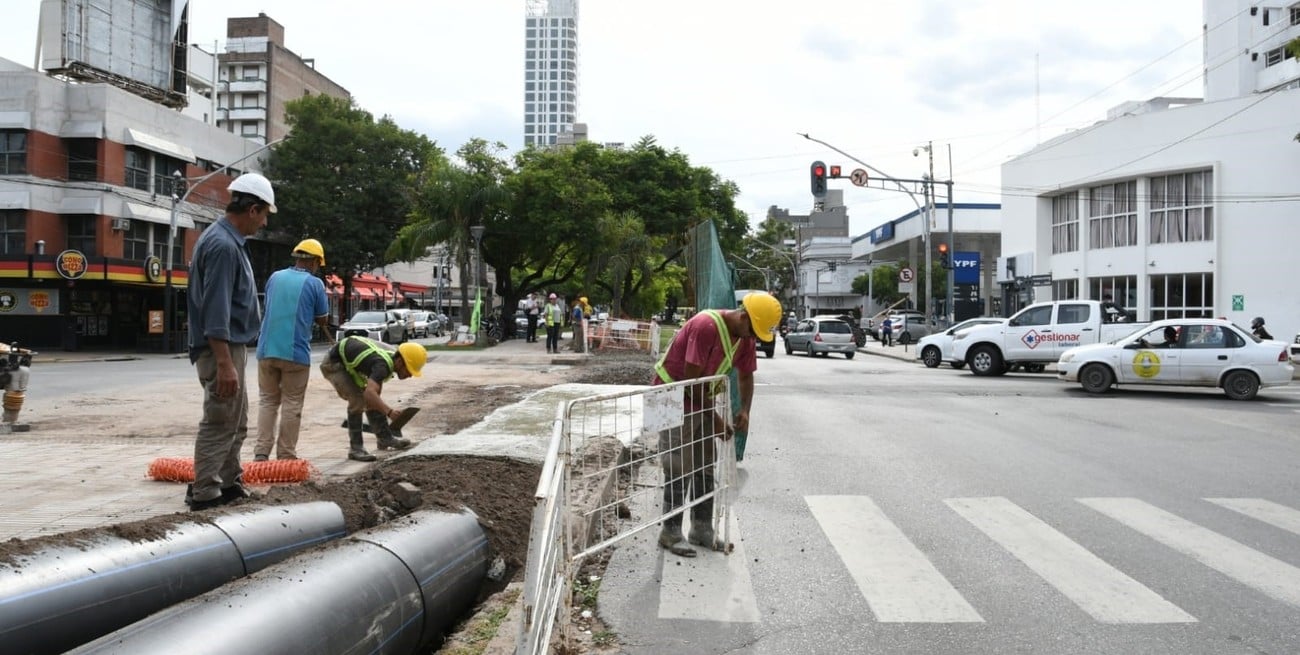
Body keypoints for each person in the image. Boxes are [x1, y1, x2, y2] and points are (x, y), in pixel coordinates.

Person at [651, 291, 781, 557]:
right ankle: (670, 532)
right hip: (667, 394)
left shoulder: (745, 337)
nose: (754, 338)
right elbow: (691, 381)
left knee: (703, 463)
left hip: (698, 398)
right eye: (754, 331)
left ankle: (701, 529)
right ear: (744, 316)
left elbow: (746, 377)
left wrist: (745, 410)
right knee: (676, 463)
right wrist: (718, 420)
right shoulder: (705, 326)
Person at [184, 173, 274, 511]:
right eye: (264, 214)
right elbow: (216, 309)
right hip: (220, 348)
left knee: (236, 420)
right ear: (252, 209)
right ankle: (205, 493)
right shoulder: (222, 246)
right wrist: (224, 363)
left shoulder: (227, 241)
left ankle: (228, 481)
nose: (264, 223)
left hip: (230, 348)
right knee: (221, 420)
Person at [253, 239, 332, 462]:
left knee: (267, 401)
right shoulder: (315, 284)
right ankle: (286, 455)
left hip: (266, 350)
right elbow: (322, 318)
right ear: (315, 261)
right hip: (295, 354)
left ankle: (261, 452)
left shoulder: (275, 277)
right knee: (292, 402)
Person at [320, 336, 424, 461]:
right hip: (334, 364)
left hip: (348, 357)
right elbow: (369, 393)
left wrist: (378, 403)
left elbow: (373, 395)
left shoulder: (392, 357)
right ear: (400, 362)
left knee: (374, 397)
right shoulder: (382, 365)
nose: (410, 375)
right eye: (409, 370)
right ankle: (356, 449)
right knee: (358, 400)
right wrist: (389, 412)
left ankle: (385, 439)